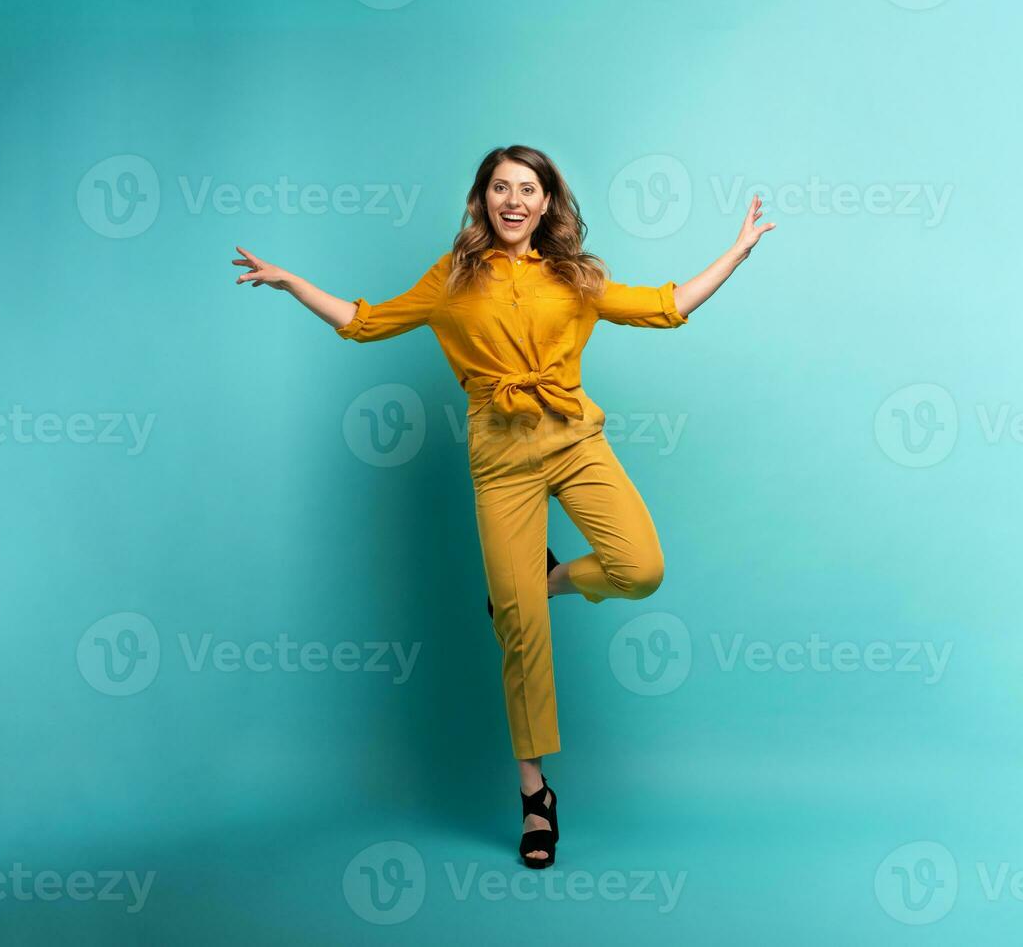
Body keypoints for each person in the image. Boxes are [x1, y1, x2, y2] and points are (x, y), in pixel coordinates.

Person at [232, 144, 775, 868]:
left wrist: (733, 253)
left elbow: (665, 305)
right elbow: (367, 322)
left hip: (574, 438)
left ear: (546, 201)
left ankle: (542, 581)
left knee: (639, 567)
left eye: (527, 188)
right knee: (521, 633)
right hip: (500, 458)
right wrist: (294, 282)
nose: (512, 200)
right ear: (480, 200)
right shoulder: (452, 280)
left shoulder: (575, 276)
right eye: (499, 188)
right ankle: (534, 796)